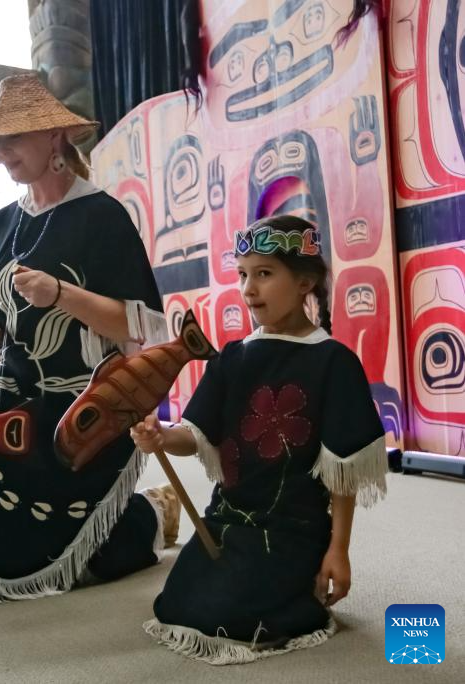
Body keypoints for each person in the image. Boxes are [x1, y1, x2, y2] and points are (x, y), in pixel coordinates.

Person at [0, 74, 170, 603]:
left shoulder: (102, 215)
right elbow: (7, 330)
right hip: (13, 376)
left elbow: (140, 326)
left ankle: (147, 514)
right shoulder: (0, 224)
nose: (3, 152)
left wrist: (61, 293)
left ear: (55, 138)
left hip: (83, 392)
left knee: (93, 562)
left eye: (14, 139)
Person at [131, 215, 388, 664]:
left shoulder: (334, 363)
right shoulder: (235, 356)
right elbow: (195, 436)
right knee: (179, 604)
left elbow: (341, 469)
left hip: (292, 529)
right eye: (244, 275)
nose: (249, 289)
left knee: (236, 616)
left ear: (306, 281)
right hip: (226, 521)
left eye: (265, 274)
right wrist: (161, 436)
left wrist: (339, 550)